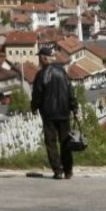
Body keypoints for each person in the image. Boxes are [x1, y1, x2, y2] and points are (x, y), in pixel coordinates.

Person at [31, 46, 79, 179]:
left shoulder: (41, 75)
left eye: (39, 57)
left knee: (51, 143)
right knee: (66, 142)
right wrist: (74, 108)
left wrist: (34, 108)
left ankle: (58, 170)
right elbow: (70, 91)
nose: (39, 60)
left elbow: (37, 95)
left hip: (49, 114)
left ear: (43, 58)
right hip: (64, 113)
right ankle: (68, 170)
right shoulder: (62, 72)